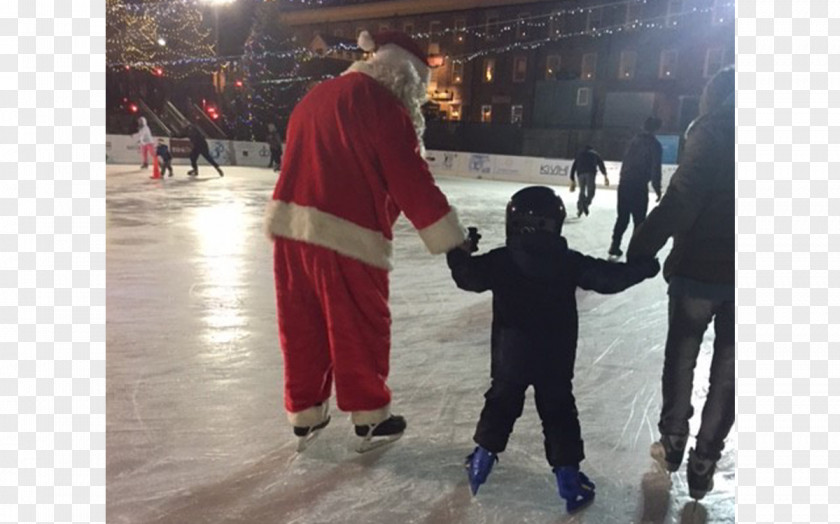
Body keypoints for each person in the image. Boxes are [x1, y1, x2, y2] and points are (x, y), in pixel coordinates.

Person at [264, 30, 467, 452]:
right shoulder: (382, 106)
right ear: (405, 75)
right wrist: (451, 237)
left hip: (290, 230)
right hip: (349, 234)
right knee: (359, 325)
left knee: (302, 324)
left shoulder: (316, 96)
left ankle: (305, 414)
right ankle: (371, 418)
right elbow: (409, 177)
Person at [446, 186, 659, 512]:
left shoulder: (502, 261)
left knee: (500, 405)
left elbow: (466, 276)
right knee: (559, 414)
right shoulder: (568, 261)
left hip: (510, 357)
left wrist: (459, 252)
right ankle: (569, 481)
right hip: (555, 360)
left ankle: (480, 463)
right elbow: (607, 277)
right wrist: (641, 269)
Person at [626, 66, 735, 500]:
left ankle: (674, 441)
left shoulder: (715, 129)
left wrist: (641, 248)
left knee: (683, 358)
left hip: (700, 271)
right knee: (731, 370)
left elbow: (683, 197)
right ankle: (705, 458)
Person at [609, 117, 663, 258]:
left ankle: (615, 245)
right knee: (639, 220)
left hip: (624, 183)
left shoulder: (633, 141)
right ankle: (635, 250)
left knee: (622, 217)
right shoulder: (654, 145)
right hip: (638, 185)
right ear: (657, 128)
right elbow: (655, 168)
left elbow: (626, 160)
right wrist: (657, 188)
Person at [569, 145, 608, 217]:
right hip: (590, 173)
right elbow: (601, 164)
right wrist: (605, 175)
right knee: (591, 191)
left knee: (582, 191)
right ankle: (586, 203)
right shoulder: (595, 154)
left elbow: (574, 166)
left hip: (580, 174)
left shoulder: (579, 155)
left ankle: (580, 209)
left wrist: (572, 178)